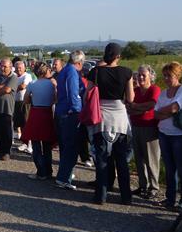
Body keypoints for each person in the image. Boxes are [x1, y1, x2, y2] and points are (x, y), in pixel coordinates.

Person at [87, 43, 134, 205]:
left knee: (101, 159)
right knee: (121, 160)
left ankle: (101, 195)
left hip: (101, 118)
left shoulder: (95, 72)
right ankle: (126, 196)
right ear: (118, 56)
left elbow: (88, 94)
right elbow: (130, 98)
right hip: (120, 118)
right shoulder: (127, 72)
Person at [154, 62, 182, 209]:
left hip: (180, 136)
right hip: (164, 134)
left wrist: (166, 112)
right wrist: (168, 112)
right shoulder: (164, 93)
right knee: (169, 169)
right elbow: (156, 114)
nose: (166, 79)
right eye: (164, 76)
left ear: (177, 76)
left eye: (169, 76)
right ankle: (170, 199)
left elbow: (175, 107)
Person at [127, 64, 161, 199]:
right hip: (136, 126)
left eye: (143, 75)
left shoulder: (154, 89)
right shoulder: (135, 90)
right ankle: (142, 185)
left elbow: (152, 105)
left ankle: (154, 187)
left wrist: (136, 107)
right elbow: (129, 107)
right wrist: (140, 108)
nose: (140, 77)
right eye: (139, 75)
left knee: (151, 158)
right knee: (139, 158)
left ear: (150, 76)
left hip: (150, 127)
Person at [54, 50, 85, 190]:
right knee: (71, 147)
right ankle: (64, 178)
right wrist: (78, 109)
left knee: (65, 146)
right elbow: (73, 93)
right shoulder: (72, 72)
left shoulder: (64, 70)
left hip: (61, 110)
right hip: (69, 113)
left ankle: (64, 174)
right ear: (79, 62)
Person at [21, 62, 57, 179]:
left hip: (36, 113)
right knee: (47, 145)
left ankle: (40, 172)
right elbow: (55, 99)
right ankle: (48, 171)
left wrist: (33, 98)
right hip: (47, 113)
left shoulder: (32, 84)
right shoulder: (52, 84)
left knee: (36, 144)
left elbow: (26, 100)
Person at [14, 60, 33, 154]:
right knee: (20, 123)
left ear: (24, 68)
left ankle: (30, 145)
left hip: (25, 103)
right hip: (16, 102)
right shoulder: (15, 76)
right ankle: (24, 143)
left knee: (26, 123)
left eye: (20, 68)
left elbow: (23, 86)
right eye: (17, 68)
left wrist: (14, 90)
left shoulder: (27, 76)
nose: (18, 69)